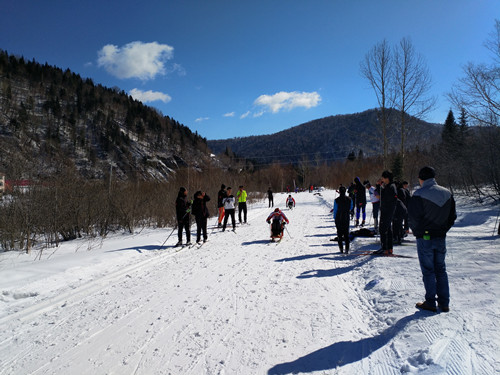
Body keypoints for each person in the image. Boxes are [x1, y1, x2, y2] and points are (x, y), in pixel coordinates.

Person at [409, 166, 456, 313]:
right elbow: (452, 217)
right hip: (440, 237)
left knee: (428, 270)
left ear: (421, 179)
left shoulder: (419, 194)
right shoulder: (447, 193)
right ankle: (444, 302)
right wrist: (442, 230)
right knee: (441, 270)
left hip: (425, 238)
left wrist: (419, 233)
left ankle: (430, 302)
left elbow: (413, 218)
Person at [373, 170, 398, 255]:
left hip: (387, 210)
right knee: (388, 229)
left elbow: (381, 196)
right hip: (388, 210)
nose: (382, 179)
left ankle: (384, 248)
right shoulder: (390, 186)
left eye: (383, 178)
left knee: (383, 229)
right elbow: (382, 194)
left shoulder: (390, 187)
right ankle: (389, 248)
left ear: (387, 178)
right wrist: (378, 186)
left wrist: (378, 187)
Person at [333, 186, 352, 254]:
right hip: (346, 217)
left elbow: (335, 210)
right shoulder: (349, 199)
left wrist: (334, 218)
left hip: (339, 217)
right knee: (346, 233)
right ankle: (347, 248)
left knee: (339, 233)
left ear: (339, 192)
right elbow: (351, 207)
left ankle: (341, 248)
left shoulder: (336, 200)